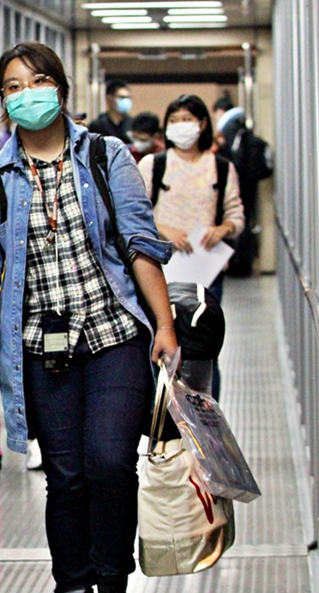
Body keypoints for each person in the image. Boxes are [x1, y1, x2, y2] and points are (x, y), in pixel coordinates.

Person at [0, 42, 177, 593]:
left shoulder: (107, 156)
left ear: (61, 88)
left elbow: (139, 243)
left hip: (113, 336)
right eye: (14, 85)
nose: (29, 93)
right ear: (4, 102)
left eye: (40, 80)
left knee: (110, 462)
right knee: (67, 477)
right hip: (40, 350)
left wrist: (164, 326)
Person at [139, 94, 245, 398]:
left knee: (204, 350)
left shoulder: (221, 168)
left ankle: (205, 412)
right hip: (160, 270)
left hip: (207, 272)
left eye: (186, 119)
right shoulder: (153, 165)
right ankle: (162, 418)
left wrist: (223, 229)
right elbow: (135, 212)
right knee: (159, 344)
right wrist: (163, 229)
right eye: (173, 121)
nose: (179, 126)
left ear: (202, 124)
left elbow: (236, 214)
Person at [212, 97, 273, 277]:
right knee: (245, 221)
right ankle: (242, 262)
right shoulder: (241, 126)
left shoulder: (229, 127)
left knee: (238, 222)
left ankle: (239, 264)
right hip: (248, 183)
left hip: (239, 184)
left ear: (219, 111)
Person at [88, 79, 133, 143]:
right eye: (122, 97)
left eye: (128, 97)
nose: (126, 101)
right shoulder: (98, 125)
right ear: (109, 98)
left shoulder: (132, 124)